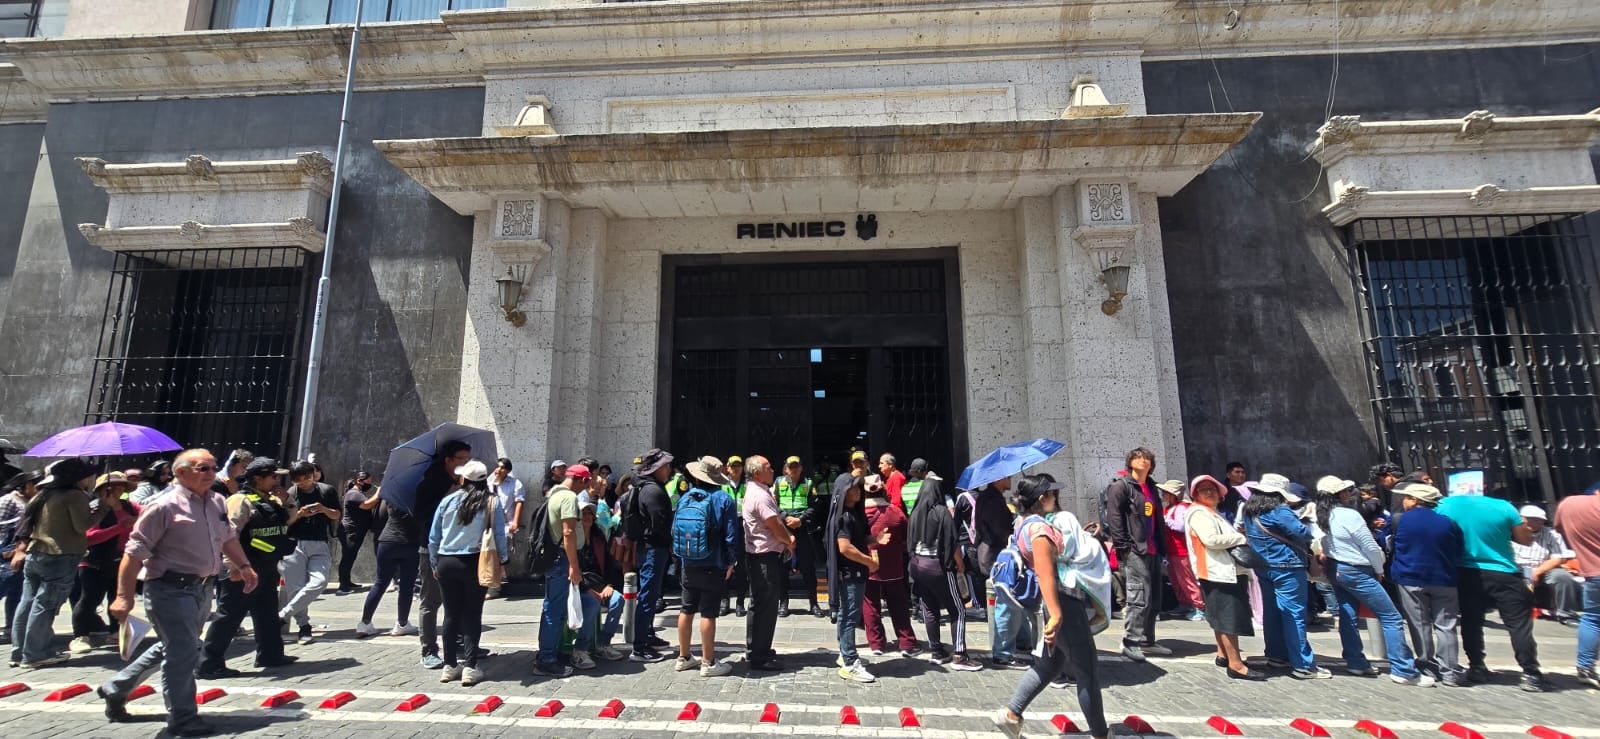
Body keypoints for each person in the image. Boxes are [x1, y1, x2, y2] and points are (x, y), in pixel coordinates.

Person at [98, 449, 260, 737]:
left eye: (212, 467)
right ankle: (183, 719)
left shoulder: (217, 501)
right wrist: (123, 596)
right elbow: (134, 552)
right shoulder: (163, 505)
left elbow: (228, 537)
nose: (210, 473)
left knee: (175, 646)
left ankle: (118, 686)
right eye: (202, 468)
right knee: (183, 652)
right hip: (169, 589)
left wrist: (244, 566)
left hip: (203, 588)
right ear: (180, 472)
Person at [995, 474, 1110, 739]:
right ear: (1042, 499)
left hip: (1054, 601)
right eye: (1051, 494)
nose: (1055, 498)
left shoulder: (1023, 523)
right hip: (1063, 601)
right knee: (1088, 672)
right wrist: (1056, 615)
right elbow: (1047, 573)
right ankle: (1101, 734)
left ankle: (1012, 714)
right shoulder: (1040, 529)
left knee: (1050, 664)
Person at [1310, 476, 1425, 684]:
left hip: (1337, 566)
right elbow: (1369, 546)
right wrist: (1379, 567)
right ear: (1340, 494)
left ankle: (1356, 661)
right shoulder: (1348, 515)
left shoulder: (1321, 515)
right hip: (1357, 568)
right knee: (1391, 617)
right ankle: (1403, 668)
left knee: (1348, 615)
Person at [198, 458, 298, 678]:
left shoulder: (271, 500)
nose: (276, 480)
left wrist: (288, 499)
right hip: (242, 568)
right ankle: (208, 664)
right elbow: (228, 534)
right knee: (229, 617)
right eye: (273, 476)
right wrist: (232, 566)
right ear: (258, 478)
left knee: (267, 614)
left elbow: (289, 520)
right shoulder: (239, 500)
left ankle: (270, 655)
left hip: (266, 565)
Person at [1438, 489, 1547, 691]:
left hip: (1465, 571)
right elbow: (1526, 539)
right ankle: (1530, 672)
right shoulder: (1504, 507)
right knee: (1518, 625)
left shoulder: (1445, 505)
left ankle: (1477, 666)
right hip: (1503, 571)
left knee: (1471, 622)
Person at [428, 460, 506, 687]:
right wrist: (503, 561)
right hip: (475, 561)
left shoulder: (447, 501)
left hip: (446, 560)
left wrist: (434, 563)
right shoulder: (491, 502)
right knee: (472, 614)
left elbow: (434, 537)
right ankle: (470, 667)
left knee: (451, 614)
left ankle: (450, 665)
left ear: (464, 479)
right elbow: (499, 535)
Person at [10, 457, 94, 668]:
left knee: (28, 602)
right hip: (60, 555)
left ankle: (19, 652)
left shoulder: (44, 494)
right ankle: (35, 653)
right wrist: (102, 508)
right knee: (45, 605)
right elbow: (82, 526)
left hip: (36, 553)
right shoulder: (75, 496)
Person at [1242, 479, 1328, 679]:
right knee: (1294, 613)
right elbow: (1303, 533)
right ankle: (1303, 664)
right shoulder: (1279, 510)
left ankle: (1276, 654)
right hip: (1287, 565)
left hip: (1263, 566)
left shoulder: (1249, 511)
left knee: (1272, 613)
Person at [1183, 475, 1262, 680]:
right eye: (1203, 490)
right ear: (1196, 495)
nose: (1209, 492)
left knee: (1220, 617)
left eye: (1212, 489)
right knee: (1229, 620)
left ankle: (1223, 655)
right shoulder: (1200, 513)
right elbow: (1211, 540)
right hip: (1218, 572)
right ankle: (1236, 665)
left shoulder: (1210, 512)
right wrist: (1240, 537)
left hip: (1219, 571)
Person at [1388, 482, 1465, 686]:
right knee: (1446, 625)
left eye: (1405, 498)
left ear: (1414, 500)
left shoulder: (1399, 519)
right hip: (1443, 578)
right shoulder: (1448, 522)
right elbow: (1458, 548)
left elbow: (1386, 541)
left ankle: (1425, 663)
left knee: (1419, 623)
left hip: (1409, 576)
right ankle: (1450, 671)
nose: (1403, 501)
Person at [671, 457, 740, 678]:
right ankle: (708, 662)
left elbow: (675, 531)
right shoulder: (723, 500)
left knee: (686, 608)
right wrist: (731, 561)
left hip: (688, 560)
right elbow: (730, 535)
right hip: (713, 561)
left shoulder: (686, 497)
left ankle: (683, 657)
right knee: (709, 612)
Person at [907, 466, 978, 670]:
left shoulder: (915, 513)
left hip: (918, 565)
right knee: (958, 610)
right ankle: (960, 654)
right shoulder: (941, 512)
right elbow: (952, 542)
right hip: (938, 566)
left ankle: (936, 651)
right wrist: (961, 565)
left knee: (929, 608)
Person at [1103, 447, 1169, 662]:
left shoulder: (1151, 487)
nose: (1143, 461)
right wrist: (1123, 545)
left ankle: (1147, 639)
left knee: (1154, 597)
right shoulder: (1120, 487)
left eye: (1147, 458)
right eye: (1138, 457)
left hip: (1153, 548)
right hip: (1134, 549)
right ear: (1129, 462)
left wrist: (1162, 545)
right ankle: (1131, 641)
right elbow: (1114, 517)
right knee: (1138, 595)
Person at [414, 439, 472, 669]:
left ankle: (459, 642)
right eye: (461, 459)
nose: (466, 463)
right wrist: (448, 494)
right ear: (448, 460)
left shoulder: (466, 484)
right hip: (432, 548)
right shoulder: (429, 484)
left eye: (469, 459)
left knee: (460, 599)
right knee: (431, 599)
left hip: (459, 548)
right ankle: (428, 648)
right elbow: (421, 516)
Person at [828, 475, 889, 682]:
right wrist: (868, 562)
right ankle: (849, 662)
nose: (859, 492)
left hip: (856, 572)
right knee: (849, 617)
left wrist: (876, 539)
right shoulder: (844, 516)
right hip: (850, 573)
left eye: (859, 488)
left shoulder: (854, 513)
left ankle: (844, 653)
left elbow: (860, 539)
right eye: (854, 488)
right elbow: (845, 547)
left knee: (848, 615)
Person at [70, 472, 138, 654]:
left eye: (120, 486)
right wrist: (119, 527)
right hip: (94, 561)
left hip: (121, 560)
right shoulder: (94, 508)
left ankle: (116, 631)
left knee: (117, 597)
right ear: (101, 490)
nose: (116, 490)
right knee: (90, 598)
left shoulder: (130, 507)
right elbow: (89, 537)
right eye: (111, 487)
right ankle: (80, 635)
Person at [740, 455, 793, 671]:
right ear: (757, 473)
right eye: (768, 467)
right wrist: (788, 540)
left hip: (757, 556)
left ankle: (756, 649)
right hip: (765, 557)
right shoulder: (760, 495)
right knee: (766, 607)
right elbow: (773, 524)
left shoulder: (756, 491)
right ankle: (760, 656)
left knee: (758, 604)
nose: (773, 470)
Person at [536, 463, 588, 677]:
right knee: (555, 610)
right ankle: (547, 659)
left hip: (555, 557)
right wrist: (574, 565)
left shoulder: (554, 494)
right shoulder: (568, 498)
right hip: (562, 559)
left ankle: (549, 653)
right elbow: (568, 532)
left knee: (553, 608)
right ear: (582, 480)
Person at [862, 475, 919, 657]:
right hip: (893, 565)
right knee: (898, 603)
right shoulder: (895, 512)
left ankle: (876, 643)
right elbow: (906, 537)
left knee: (870, 604)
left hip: (868, 563)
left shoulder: (860, 513)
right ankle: (906, 642)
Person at [628, 449, 675, 663]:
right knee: (648, 596)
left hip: (651, 548)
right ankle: (640, 647)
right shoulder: (653, 491)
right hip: (653, 549)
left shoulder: (647, 488)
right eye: (666, 466)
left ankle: (647, 636)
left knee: (651, 593)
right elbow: (660, 524)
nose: (669, 470)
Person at [355, 491, 422, 638]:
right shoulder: (420, 495)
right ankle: (402, 623)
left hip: (387, 541)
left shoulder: (392, 494)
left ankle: (365, 623)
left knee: (380, 583)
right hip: (410, 542)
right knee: (406, 586)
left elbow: (380, 515)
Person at [1555, 483, 1600, 688]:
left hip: (1593, 571)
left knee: (1592, 618)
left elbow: (1559, 530)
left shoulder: (1570, 505)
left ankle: (1585, 667)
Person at [574, 498, 627, 662]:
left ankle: (603, 643)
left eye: (590, 513)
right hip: (580, 587)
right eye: (583, 513)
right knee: (592, 603)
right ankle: (580, 649)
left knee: (618, 600)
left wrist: (609, 585)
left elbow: (609, 565)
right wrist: (587, 589)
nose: (587, 517)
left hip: (600, 583)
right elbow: (573, 571)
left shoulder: (598, 538)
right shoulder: (573, 539)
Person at [1514, 505, 1580, 623]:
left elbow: (1559, 557)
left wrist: (1537, 571)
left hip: (1543, 567)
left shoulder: (1552, 534)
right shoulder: (1511, 531)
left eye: (1538, 520)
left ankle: (1565, 613)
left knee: (1562, 576)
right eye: (1529, 519)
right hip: (1517, 567)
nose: (1533, 522)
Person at [776, 456, 824, 618]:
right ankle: (783, 603)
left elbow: (815, 505)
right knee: (782, 568)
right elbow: (773, 504)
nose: (794, 469)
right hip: (784, 529)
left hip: (802, 528)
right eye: (791, 466)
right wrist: (785, 517)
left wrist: (800, 519)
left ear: (801, 468)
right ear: (786, 468)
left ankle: (814, 603)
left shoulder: (809, 483)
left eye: (796, 466)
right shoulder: (778, 483)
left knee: (808, 567)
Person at [0, 470, 41, 644]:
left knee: (16, 592)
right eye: (36, 484)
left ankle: (11, 627)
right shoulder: (8, 500)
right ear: (26, 485)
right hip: (6, 550)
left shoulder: (35, 502)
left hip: (25, 550)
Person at [1158, 479, 1205, 622]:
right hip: (1171, 550)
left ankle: (1199, 607)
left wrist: (1164, 520)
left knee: (1187, 580)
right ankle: (1185, 604)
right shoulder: (1168, 508)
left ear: (1174, 494)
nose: (1163, 495)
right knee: (1176, 580)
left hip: (1182, 550)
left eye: (1166, 492)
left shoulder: (1182, 508)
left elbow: (1180, 526)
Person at [336, 471, 376, 595]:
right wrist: (379, 493)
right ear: (360, 480)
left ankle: (347, 581)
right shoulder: (354, 493)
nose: (370, 484)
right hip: (350, 531)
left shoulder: (358, 493)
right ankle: (343, 586)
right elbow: (366, 505)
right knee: (347, 557)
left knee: (351, 556)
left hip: (356, 531)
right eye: (369, 481)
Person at [719, 455, 747, 617]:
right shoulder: (721, 486)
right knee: (724, 566)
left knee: (742, 568)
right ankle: (724, 601)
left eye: (739, 465)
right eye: (733, 465)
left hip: (743, 527)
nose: (736, 468)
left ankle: (740, 602)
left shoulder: (748, 486)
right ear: (727, 468)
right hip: (726, 528)